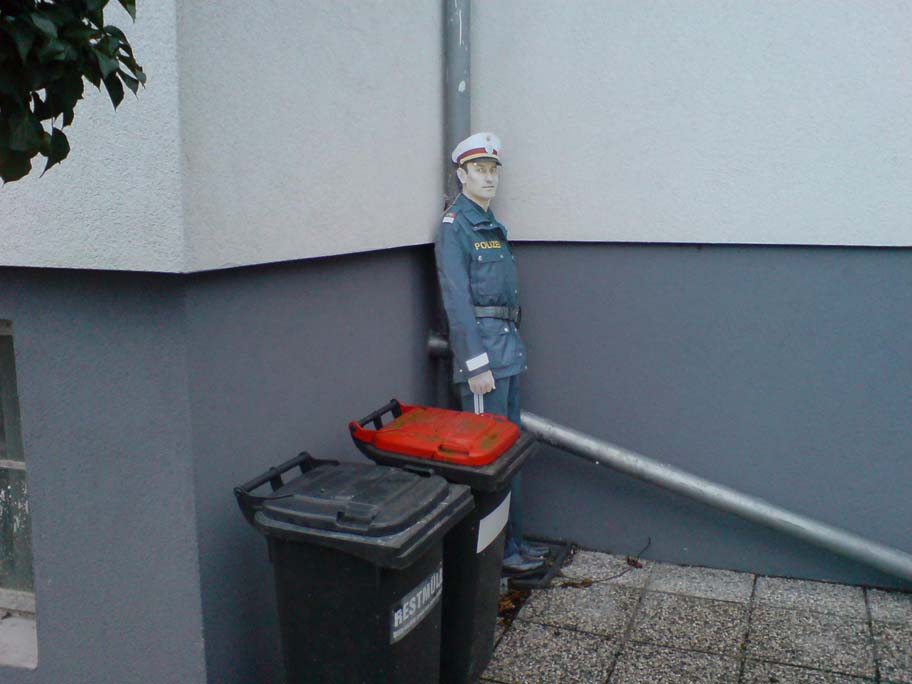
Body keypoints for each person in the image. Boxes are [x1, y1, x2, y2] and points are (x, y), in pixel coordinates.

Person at [434, 132, 548, 573]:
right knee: (490, 464)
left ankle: (514, 545)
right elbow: (456, 298)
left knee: (509, 456)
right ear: (461, 175)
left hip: (507, 352)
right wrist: (475, 362)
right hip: (485, 360)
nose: (488, 177)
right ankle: (493, 563)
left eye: (492, 170)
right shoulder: (455, 226)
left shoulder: (488, 222)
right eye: (478, 169)